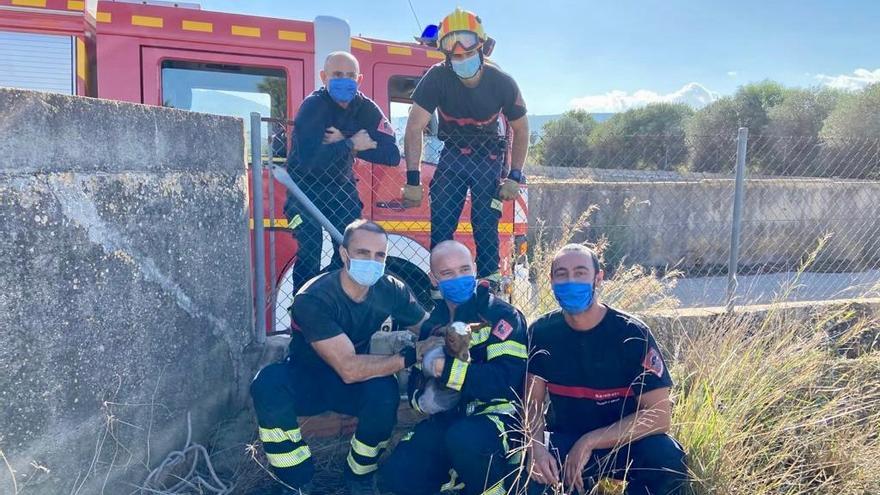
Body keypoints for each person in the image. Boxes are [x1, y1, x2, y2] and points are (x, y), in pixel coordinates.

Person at [250, 220, 427, 495]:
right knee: (268, 384)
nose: (373, 261)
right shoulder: (314, 297)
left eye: (380, 255)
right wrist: (409, 357)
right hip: (308, 380)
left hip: (350, 388)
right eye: (363, 253)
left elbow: (427, 327)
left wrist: (455, 332)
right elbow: (348, 367)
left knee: (384, 390)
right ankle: (295, 480)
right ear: (344, 255)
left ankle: (360, 476)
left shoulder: (390, 289)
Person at [525, 244, 689, 495]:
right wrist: (535, 448)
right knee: (531, 474)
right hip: (565, 440)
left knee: (666, 457)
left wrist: (591, 441)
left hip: (625, 441)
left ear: (598, 278)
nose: (570, 282)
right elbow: (531, 405)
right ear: (551, 281)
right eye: (562, 274)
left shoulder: (632, 334)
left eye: (580, 273)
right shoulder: (541, 332)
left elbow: (659, 415)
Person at [379, 240, 529, 495]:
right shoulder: (433, 324)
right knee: (396, 474)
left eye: (463, 270)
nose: (457, 278)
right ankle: (458, 479)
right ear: (434, 279)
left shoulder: (500, 315)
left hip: (496, 419)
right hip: (451, 418)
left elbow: (506, 380)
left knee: (465, 439)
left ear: (474, 269)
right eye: (447, 273)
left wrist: (447, 372)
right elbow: (417, 384)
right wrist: (425, 400)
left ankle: (502, 485)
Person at [401, 8, 529, 287]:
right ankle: (440, 290)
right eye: (454, 54)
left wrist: (514, 176)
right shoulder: (436, 78)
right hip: (453, 155)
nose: (461, 58)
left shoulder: (502, 82)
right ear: (445, 54)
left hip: (490, 157)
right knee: (442, 226)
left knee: (485, 226)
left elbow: (521, 129)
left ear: (482, 47)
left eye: (468, 52)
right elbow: (414, 127)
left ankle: (488, 290)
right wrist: (412, 179)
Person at [285, 51, 400, 291]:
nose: (344, 80)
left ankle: (331, 296)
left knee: (350, 248)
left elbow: (391, 154)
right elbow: (309, 160)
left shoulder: (366, 108)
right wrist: (352, 144)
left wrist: (345, 141)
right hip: (303, 189)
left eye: (350, 75)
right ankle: (302, 307)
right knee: (309, 250)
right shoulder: (313, 106)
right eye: (337, 75)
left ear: (359, 80)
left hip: (341, 187)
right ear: (323, 77)